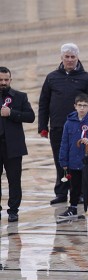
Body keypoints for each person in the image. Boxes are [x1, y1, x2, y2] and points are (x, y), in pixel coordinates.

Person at [38, 43, 88, 206]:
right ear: (61, 58)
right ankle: (61, 192)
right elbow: (44, 102)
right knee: (61, 160)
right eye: (67, 57)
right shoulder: (52, 77)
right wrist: (43, 126)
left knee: (78, 161)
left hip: (80, 129)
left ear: (78, 58)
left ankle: (77, 192)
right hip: (58, 127)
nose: (70, 60)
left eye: (73, 57)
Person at [58, 94, 88, 219]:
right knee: (74, 186)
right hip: (74, 160)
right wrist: (63, 160)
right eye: (79, 105)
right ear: (75, 106)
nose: (82, 108)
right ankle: (73, 207)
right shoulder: (68, 123)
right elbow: (64, 142)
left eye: (84, 106)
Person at [0, 67, 35, 222]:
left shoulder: (20, 97)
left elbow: (30, 116)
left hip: (13, 146)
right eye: (0, 80)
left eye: (6, 80)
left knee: (14, 180)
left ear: (10, 80)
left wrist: (12, 113)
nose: (3, 83)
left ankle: (13, 210)